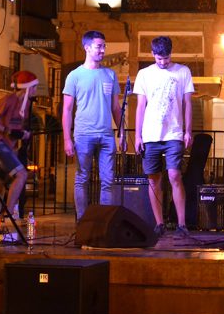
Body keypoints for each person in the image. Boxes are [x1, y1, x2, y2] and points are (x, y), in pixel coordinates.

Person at [134, 36, 194, 237]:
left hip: (174, 132)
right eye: (159, 58)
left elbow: (187, 103)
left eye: (166, 58)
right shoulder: (144, 74)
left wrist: (188, 130)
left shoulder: (183, 72)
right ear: (152, 54)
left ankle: (182, 223)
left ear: (171, 53)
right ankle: (159, 223)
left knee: (175, 175)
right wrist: (138, 135)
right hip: (150, 134)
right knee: (153, 179)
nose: (163, 62)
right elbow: (140, 106)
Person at [62, 31, 123, 221]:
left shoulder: (110, 74)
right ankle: (82, 222)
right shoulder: (75, 76)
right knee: (82, 179)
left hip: (106, 135)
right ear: (87, 47)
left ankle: (105, 222)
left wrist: (121, 132)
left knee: (108, 181)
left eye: (104, 46)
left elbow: (116, 107)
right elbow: (67, 109)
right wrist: (67, 139)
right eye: (99, 46)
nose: (103, 50)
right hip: (83, 135)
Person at [0, 70, 38, 218]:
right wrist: (7, 131)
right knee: (21, 175)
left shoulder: (25, 105)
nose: (36, 90)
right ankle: (8, 214)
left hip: (6, 146)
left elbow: (15, 128)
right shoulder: (8, 100)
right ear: (27, 88)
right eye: (34, 87)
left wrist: (23, 134)